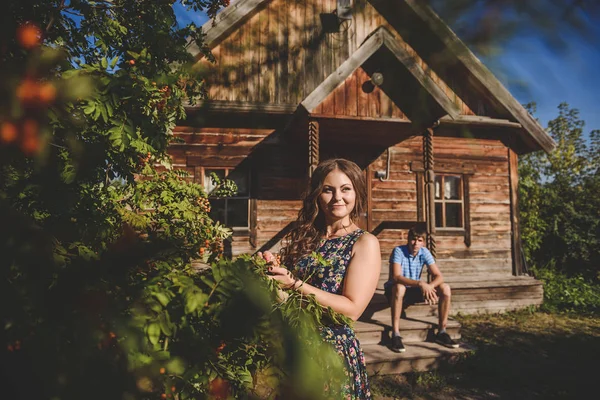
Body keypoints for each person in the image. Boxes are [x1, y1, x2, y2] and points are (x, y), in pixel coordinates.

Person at [259, 158, 381, 399]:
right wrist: (274, 274)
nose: (337, 197)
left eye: (345, 189)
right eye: (328, 189)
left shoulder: (364, 243)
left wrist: (295, 284)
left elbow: (351, 310)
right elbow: (289, 298)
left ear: (356, 193)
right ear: (317, 194)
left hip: (331, 353)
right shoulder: (306, 237)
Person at [383, 226, 459, 353]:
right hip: (395, 291)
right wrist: (420, 283)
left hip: (415, 289)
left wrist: (429, 286)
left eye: (419, 240)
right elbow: (396, 277)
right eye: (413, 240)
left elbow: (439, 276)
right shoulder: (398, 251)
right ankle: (395, 334)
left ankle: (442, 331)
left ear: (423, 242)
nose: (416, 244)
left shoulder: (424, 252)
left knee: (445, 288)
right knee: (400, 288)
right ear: (408, 239)